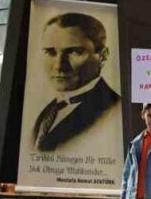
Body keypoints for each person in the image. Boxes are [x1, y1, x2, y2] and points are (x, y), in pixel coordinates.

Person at [30, 12, 121, 152]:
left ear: (102, 57)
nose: (59, 66)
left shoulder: (114, 111)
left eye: (75, 52)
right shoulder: (48, 111)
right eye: (50, 52)